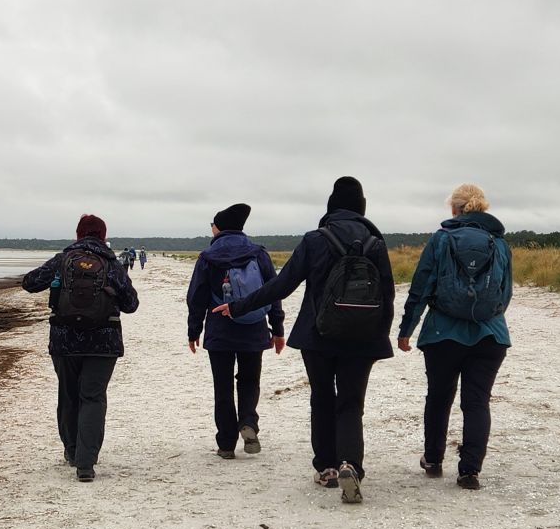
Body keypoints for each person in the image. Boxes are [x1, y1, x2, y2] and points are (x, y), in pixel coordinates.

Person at [213, 177, 395, 503]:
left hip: (318, 335)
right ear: (361, 208)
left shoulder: (315, 240)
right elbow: (387, 295)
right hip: (362, 338)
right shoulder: (375, 242)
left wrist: (238, 306)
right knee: (352, 403)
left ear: (331, 207)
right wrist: (381, 334)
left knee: (322, 399)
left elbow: (281, 286)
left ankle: (325, 468)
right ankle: (351, 464)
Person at [397, 183, 512, 490]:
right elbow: (505, 293)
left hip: (441, 334)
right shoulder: (499, 243)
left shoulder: (441, 239)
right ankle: (470, 470)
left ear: (454, 209)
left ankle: (433, 460)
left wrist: (406, 329)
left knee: (438, 397)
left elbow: (421, 287)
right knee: (476, 402)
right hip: (490, 334)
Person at [22, 214, 140, 482]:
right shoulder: (111, 263)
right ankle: (86, 464)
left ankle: (72, 451)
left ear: (78, 234)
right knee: (93, 397)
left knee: (69, 395)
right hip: (104, 342)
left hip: (64, 340)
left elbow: (29, 283)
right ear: (102, 235)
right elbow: (131, 304)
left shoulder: (63, 260)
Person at [186, 204, 286, 459]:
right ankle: (249, 423)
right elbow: (273, 292)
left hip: (220, 329)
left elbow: (196, 297)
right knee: (250, 380)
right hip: (254, 327)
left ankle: (226, 444)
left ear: (219, 227)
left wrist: (193, 330)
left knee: (223, 386)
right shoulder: (258, 253)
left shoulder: (208, 256)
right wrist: (277, 328)